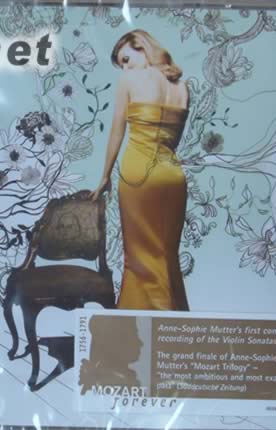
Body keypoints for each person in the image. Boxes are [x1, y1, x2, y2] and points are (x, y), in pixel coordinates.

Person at [90, 29, 190, 311]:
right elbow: (173, 140)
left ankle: (139, 327)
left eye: (125, 59)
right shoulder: (182, 87)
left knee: (139, 259)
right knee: (167, 258)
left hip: (139, 173)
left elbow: (117, 131)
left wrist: (105, 176)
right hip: (173, 176)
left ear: (141, 47)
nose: (125, 68)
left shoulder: (130, 80)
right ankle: (174, 327)